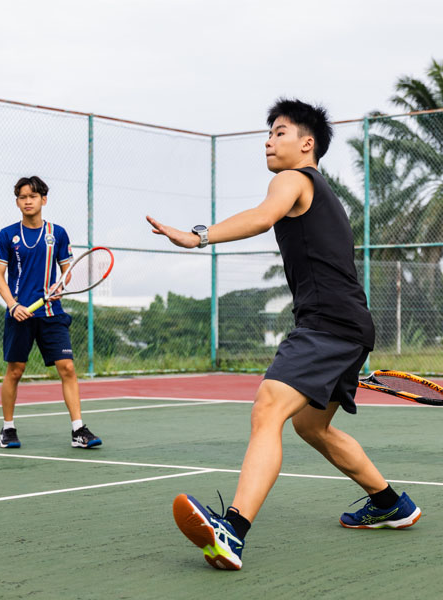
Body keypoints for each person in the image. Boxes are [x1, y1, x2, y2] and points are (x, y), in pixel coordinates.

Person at [146, 98, 421, 571]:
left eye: (279, 132)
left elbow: (260, 216)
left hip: (327, 324)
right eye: (268, 134)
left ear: (306, 143)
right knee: (309, 425)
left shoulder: (293, 179)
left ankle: (231, 531)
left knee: (269, 407)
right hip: (349, 324)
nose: (268, 141)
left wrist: (199, 236)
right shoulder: (324, 193)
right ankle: (389, 502)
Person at [0, 175, 102, 449]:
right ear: (17, 201)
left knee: (68, 368)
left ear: (44, 200)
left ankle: (78, 430)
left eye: (32, 196)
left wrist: (60, 286)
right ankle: (8, 429)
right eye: (22, 197)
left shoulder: (58, 233)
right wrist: (13, 305)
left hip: (52, 313)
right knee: (15, 371)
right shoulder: (7, 235)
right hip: (20, 314)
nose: (27, 201)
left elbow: (68, 273)